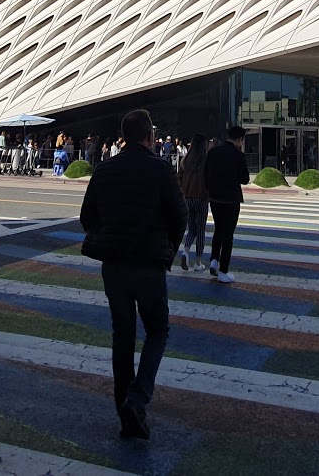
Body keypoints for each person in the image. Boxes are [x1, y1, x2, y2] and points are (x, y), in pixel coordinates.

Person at [78, 109, 185, 441]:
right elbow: (180, 216)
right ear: (150, 136)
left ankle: (125, 411)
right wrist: (168, 248)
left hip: (114, 266)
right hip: (149, 265)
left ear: (124, 137)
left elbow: (86, 217)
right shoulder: (161, 169)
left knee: (122, 335)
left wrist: (110, 235)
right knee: (157, 331)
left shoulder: (104, 169)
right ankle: (137, 400)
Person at [203, 125, 248, 283]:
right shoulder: (239, 156)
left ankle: (214, 260)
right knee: (228, 235)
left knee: (218, 229)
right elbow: (245, 179)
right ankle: (223, 270)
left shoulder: (213, 152)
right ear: (240, 139)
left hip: (215, 198)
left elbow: (205, 174)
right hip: (231, 199)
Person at [176, 133, 211, 271]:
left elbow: (179, 178)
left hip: (187, 198)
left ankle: (185, 251)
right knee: (200, 230)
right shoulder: (206, 161)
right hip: (201, 198)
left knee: (191, 229)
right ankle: (198, 262)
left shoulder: (185, 160)